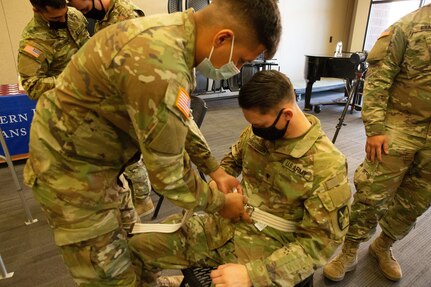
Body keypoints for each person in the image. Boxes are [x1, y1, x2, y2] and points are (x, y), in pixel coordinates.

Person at [23, 0, 282, 285]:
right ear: (223, 38)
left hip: (99, 159)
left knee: (129, 246)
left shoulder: (173, 36)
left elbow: (177, 118)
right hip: (70, 175)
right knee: (110, 276)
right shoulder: (162, 64)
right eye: (242, 59)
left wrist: (214, 169)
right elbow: (169, 175)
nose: (237, 67)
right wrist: (221, 204)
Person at [128, 70, 352, 287]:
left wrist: (252, 276)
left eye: (260, 125)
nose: (255, 130)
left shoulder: (328, 165)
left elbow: (318, 245)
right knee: (136, 246)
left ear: (287, 115)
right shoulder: (256, 132)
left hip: (270, 251)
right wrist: (219, 183)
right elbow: (229, 164)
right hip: (222, 226)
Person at [323, 4, 431, 282]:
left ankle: (384, 245)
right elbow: (378, 79)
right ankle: (349, 249)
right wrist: (375, 129)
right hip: (399, 126)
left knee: (417, 200)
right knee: (373, 192)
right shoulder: (406, 26)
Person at [68, 0, 154, 217]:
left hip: (131, 102)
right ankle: (130, 203)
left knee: (130, 158)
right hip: (114, 100)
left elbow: (140, 66)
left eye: (83, 7)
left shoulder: (126, 16)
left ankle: (143, 200)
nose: (81, 11)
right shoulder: (102, 20)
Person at [17, 0, 89, 100]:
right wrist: (73, 80)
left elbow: (88, 45)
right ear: (37, 11)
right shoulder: (33, 42)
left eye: (65, 12)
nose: (64, 20)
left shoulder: (74, 15)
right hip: (64, 102)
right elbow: (32, 87)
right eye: (56, 18)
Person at [68, 0, 144, 33]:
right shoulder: (103, 14)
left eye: (86, 9)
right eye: (81, 11)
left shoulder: (127, 15)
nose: (85, 13)